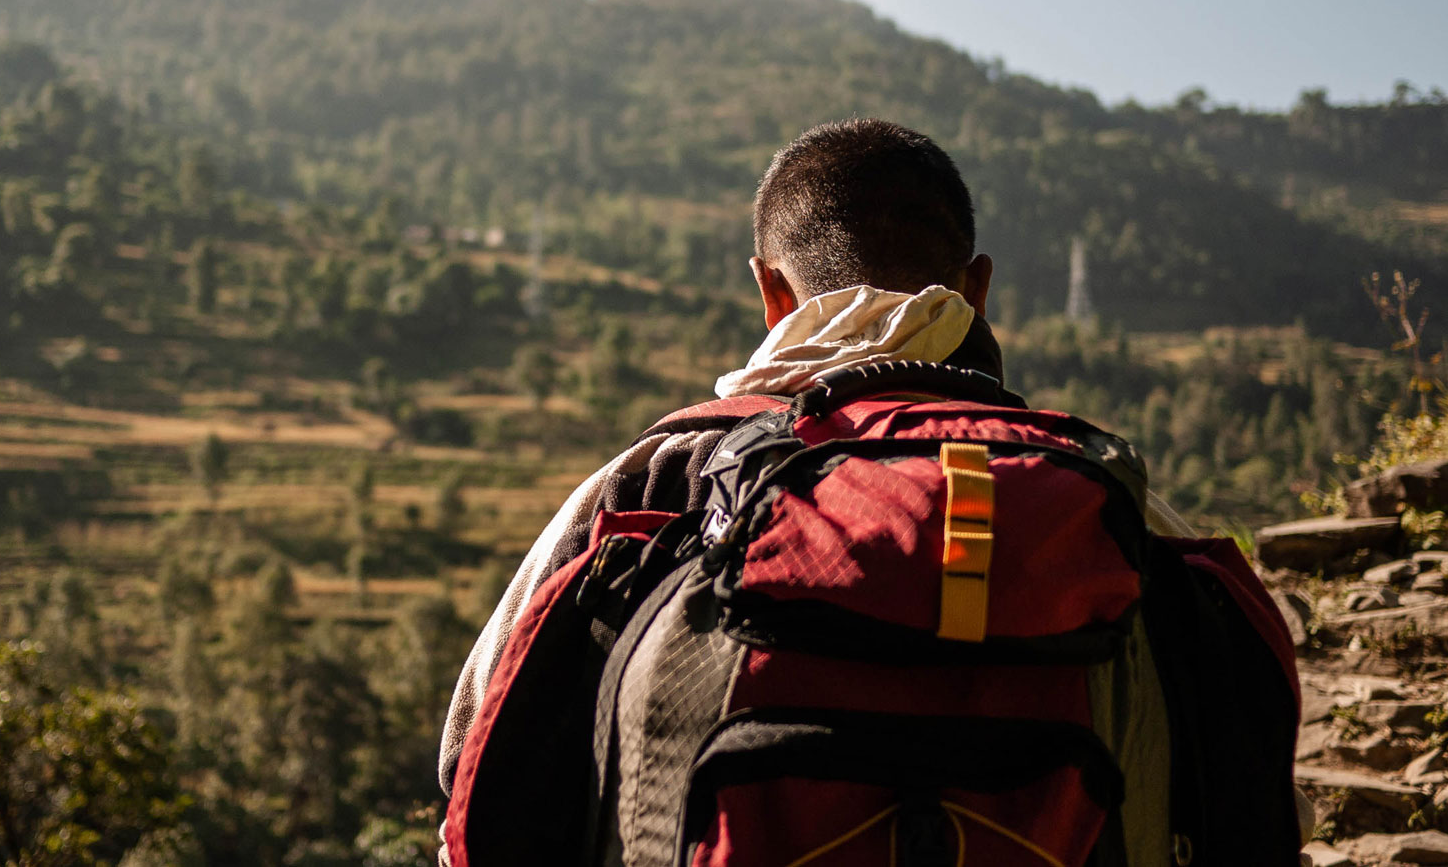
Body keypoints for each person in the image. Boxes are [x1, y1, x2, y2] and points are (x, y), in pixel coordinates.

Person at [437, 117, 1198, 800]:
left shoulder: (661, 477)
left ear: (771, 292)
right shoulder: (1114, 499)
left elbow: (469, 749)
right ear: (978, 289)